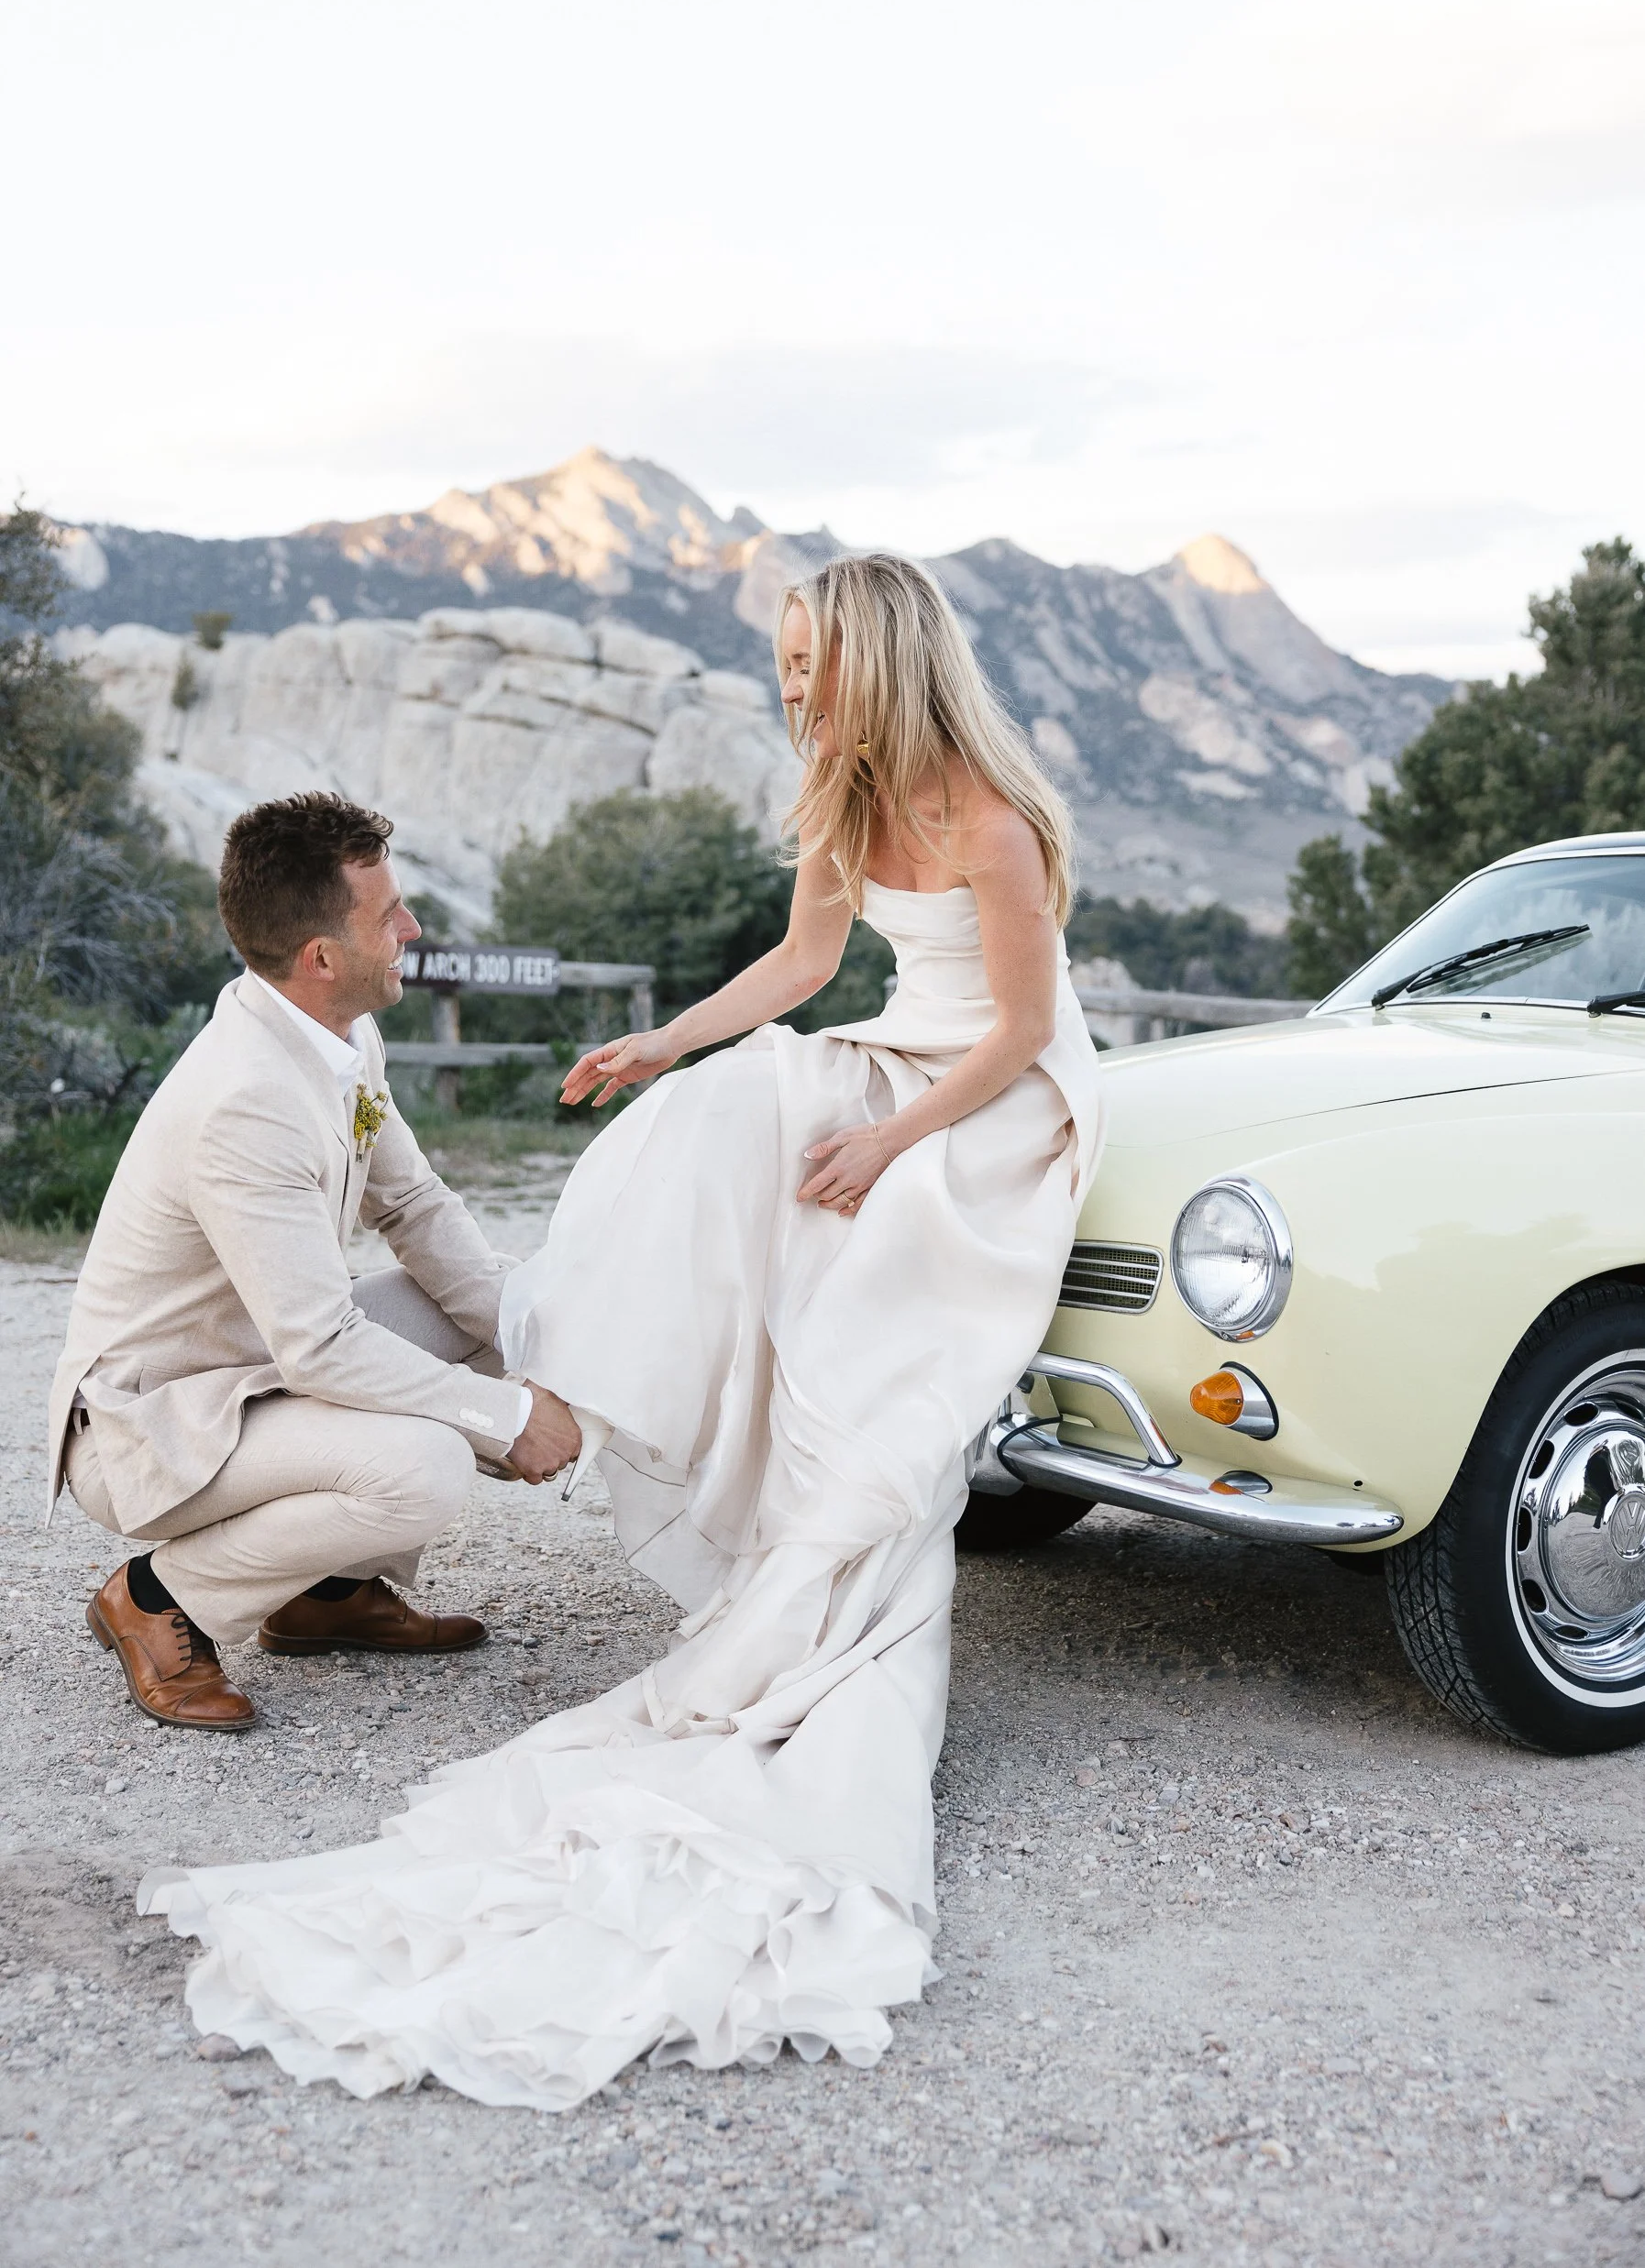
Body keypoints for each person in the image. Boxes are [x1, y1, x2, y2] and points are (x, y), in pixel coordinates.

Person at [139, 554, 1103, 2111]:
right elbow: (801, 965)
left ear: (876, 661)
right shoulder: (846, 805)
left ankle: (813, 1495)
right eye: (781, 662)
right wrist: (662, 1042)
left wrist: (883, 1142)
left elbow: (1012, 1030)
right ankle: (592, 1382)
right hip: (898, 1069)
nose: (787, 688)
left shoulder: (990, 817)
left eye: (805, 663)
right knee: (724, 1105)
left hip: (994, 1110)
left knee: (831, 1190)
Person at [51, 793, 581, 1730]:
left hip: (261, 1366)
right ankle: (158, 1595)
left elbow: (412, 1203)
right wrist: (508, 1422)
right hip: (165, 1418)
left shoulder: (342, 1032)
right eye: (390, 917)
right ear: (322, 958)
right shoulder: (244, 1099)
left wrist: (542, 1339)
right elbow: (321, 1348)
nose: (412, 929)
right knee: (426, 1466)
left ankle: (326, 1595)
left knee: (510, 1320)